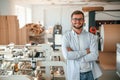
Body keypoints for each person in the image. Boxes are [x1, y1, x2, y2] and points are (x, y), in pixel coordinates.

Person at [62, 10, 102, 80]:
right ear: (71, 21)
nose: (77, 21)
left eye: (80, 19)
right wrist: (86, 52)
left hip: (91, 73)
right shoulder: (66, 37)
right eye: (75, 19)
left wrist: (75, 56)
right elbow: (67, 55)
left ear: (84, 21)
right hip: (74, 74)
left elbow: (95, 55)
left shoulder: (91, 37)